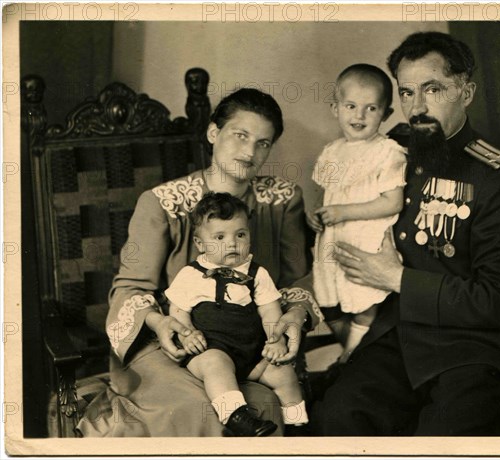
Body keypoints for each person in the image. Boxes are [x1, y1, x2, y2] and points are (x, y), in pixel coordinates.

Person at [311, 31, 500, 436]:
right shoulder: (390, 150)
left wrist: (397, 279)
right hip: (399, 334)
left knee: (443, 438)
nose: (416, 107)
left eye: (433, 89)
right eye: (407, 92)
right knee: (338, 417)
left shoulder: (498, 179)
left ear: (465, 93)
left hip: (473, 348)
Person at [77, 88, 322, 437]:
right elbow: (130, 288)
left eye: (263, 143)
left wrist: (295, 316)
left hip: (248, 344)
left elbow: (299, 280)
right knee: (200, 406)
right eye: (240, 136)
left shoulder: (281, 201)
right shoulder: (162, 203)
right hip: (170, 342)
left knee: (264, 406)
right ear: (213, 133)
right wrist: (160, 324)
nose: (250, 152)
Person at [166, 192, 308, 436]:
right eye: (220, 237)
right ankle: (236, 416)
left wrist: (277, 340)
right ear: (200, 244)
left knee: (284, 373)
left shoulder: (257, 273)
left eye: (240, 235)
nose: (232, 243)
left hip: (252, 353)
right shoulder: (190, 275)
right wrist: (188, 336)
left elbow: (270, 311)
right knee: (215, 365)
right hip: (211, 349)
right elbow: (177, 311)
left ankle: (297, 425)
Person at [307, 64, 407, 362]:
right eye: (350, 106)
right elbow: (331, 197)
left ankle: (353, 352)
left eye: (371, 108)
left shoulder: (387, 152)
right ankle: (352, 348)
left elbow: (393, 202)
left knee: (364, 302)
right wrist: (320, 216)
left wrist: (343, 212)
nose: (359, 116)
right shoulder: (333, 151)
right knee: (329, 299)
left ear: (386, 114)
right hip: (334, 238)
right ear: (335, 108)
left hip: (365, 238)